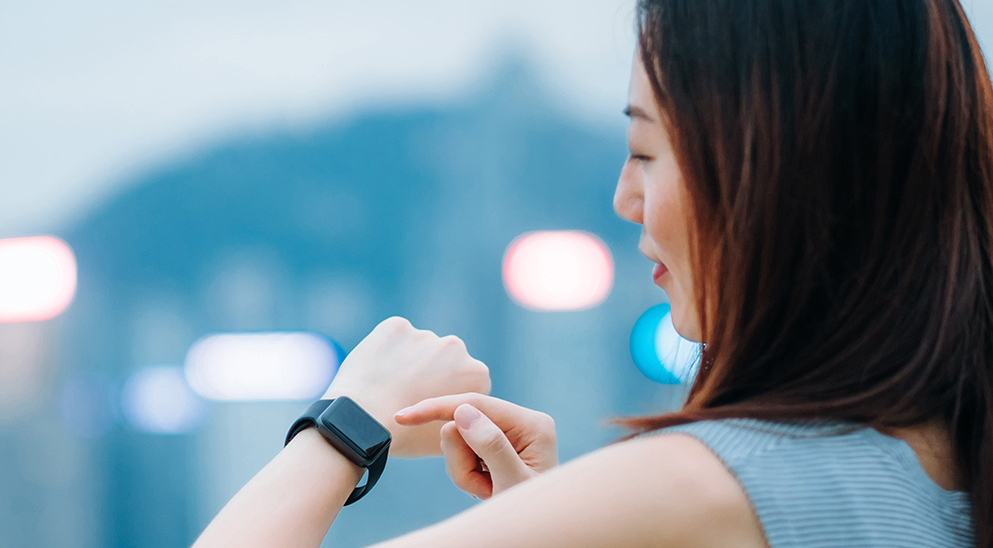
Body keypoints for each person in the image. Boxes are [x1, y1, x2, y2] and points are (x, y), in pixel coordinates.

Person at [194, 0, 991, 545]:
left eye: (646, 151)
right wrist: (555, 518)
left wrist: (344, 423)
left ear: (767, 170)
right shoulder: (942, 463)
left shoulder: (712, 483)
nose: (624, 197)